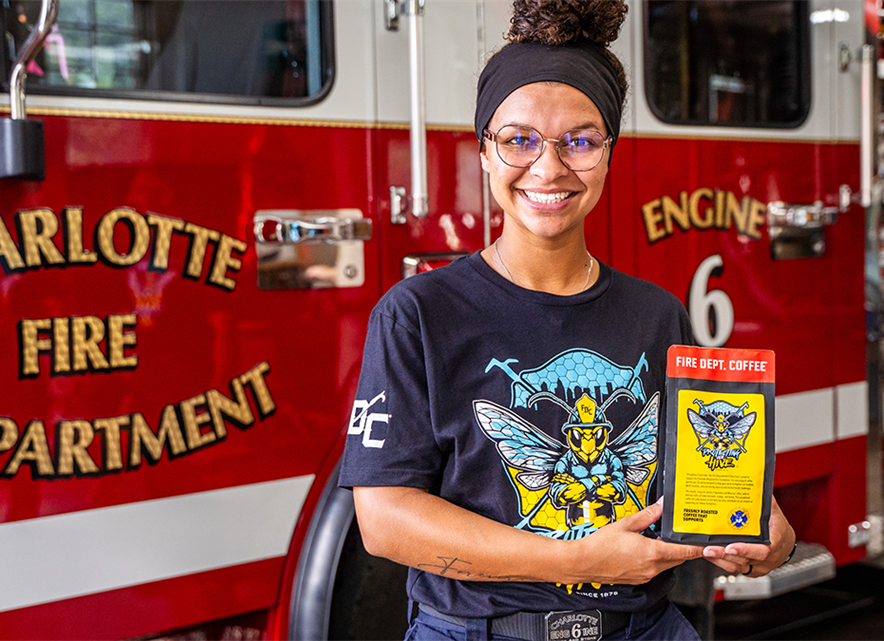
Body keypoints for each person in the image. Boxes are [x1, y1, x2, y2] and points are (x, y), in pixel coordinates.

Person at [339, 1, 796, 639]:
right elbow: (384, 521)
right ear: (484, 153)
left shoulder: (656, 314)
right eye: (519, 139)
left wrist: (764, 530)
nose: (549, 167)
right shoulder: (417, 314)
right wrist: (576, 559)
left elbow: (712, 468)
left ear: (608, 153)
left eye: (579, 140)